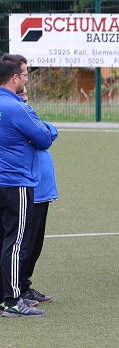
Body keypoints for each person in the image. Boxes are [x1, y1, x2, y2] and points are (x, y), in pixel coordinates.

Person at [2, 54, 59, 306]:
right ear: (15, 77)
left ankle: (15, 292)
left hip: (12, 183)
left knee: (13, 241)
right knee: (17, 243)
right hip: (18, 182)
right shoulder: (17, 108)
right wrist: (46, 130)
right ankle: (13, 300)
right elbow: (44, 138)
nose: (26, 79)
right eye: (25, 75)